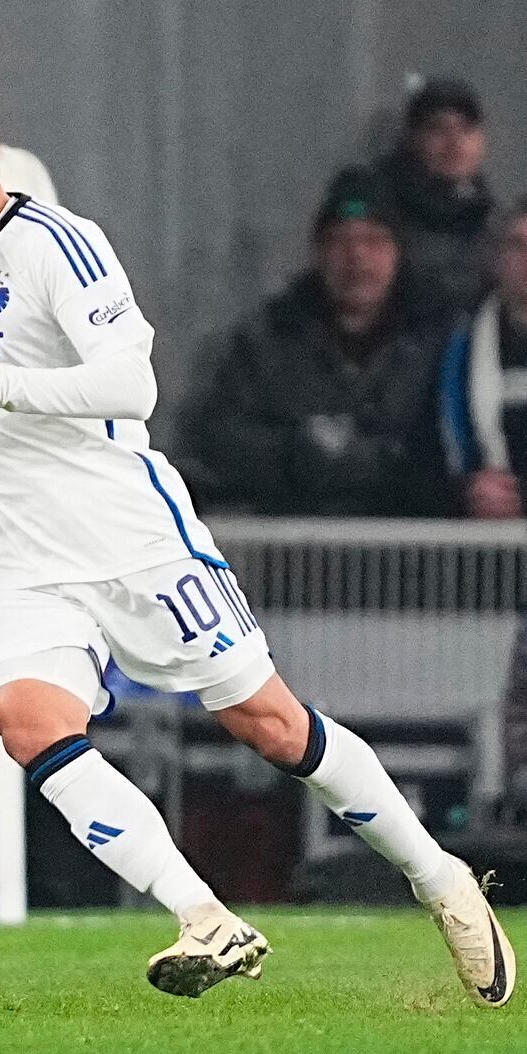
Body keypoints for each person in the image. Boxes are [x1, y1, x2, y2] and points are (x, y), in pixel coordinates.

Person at [0, 69, 513, 1007]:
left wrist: (2, 387)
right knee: (28, 723)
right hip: (21, 567)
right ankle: (205, 918)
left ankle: (439, 880)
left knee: (269, 724)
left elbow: (130, 386)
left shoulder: (59, 245)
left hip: (133, 542)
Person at [183, 169, 457, 516]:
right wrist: (297, 454)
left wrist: (395, 463)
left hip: (417, 552)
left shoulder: (442, 339)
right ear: (318, 252)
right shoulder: (268, 338)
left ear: (397, 254)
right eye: (341, 241)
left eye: (373, 241)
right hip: (297, 548)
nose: (357, 258)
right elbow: (220, 437)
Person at [439, 198, 527, 814]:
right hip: (489, 566)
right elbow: (443, 435)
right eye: (518, 245)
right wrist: (467, 488)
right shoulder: (467, 346)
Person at [373, 78, 494, 314]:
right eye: (438, 129)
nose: (455, 143)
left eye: (466, 128)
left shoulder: (494, 221)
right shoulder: (383, 215)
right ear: (414, 139)